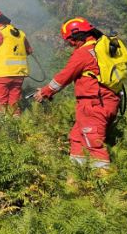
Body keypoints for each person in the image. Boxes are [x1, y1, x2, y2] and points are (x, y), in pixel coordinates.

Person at [33, 18, 121, 168]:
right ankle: (76, 179)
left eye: (70, 40)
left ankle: (105, 184)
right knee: (77, 137)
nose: (70, 44)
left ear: (77, 37)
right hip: (105, 102)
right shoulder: (103, 49)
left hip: (93, 104)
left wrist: (45, 92)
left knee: (94, 144)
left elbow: (64, 76)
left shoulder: (83, 53)